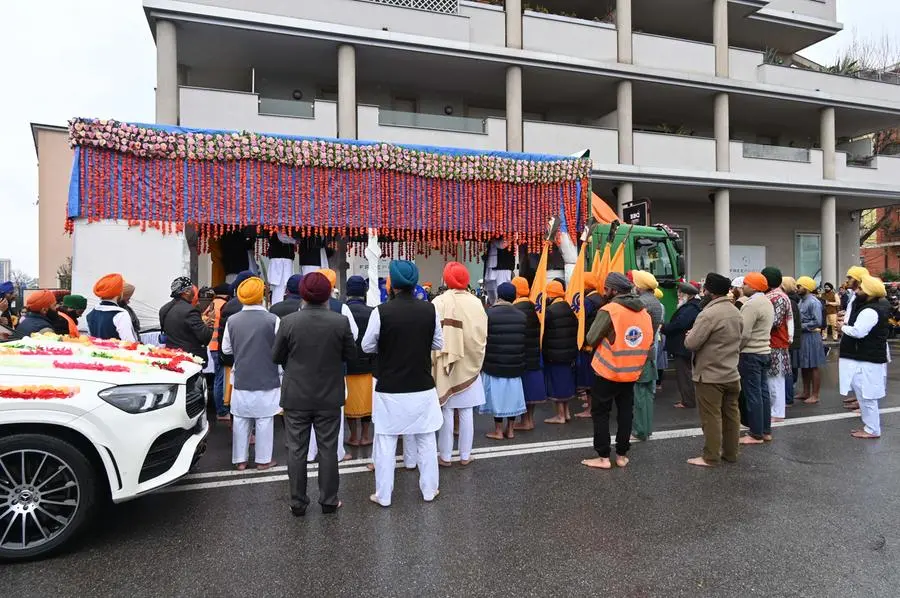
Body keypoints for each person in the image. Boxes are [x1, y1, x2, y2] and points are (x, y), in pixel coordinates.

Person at [362, 260, 444, 507]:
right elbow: (438, 343)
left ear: (393, 284)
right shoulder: (430, 309)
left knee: (386, 441)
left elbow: (367, 345)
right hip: (422, 384)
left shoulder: (381, 311)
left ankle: (384, 495)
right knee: (426, 439)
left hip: (390, 387)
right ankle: (429, 490)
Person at [274, 272, 356, 516]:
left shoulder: (288, 322)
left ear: (303, 294)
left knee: (296, 450)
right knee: (328, 448)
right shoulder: (339, 322)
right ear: (328, 294)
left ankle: (297, 503)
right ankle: (329, 500)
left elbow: (275, 356)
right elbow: (351, 355)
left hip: (296, 393)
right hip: (329, 393)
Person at [581, 272, 652, 470]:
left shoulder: (610, 310)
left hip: (608, 370)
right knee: (625, 413)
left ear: (613, 290)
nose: (604, 291)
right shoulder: (643, 312)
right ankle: (621, 455)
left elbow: (591, 338)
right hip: (631, 372)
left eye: (606, 288)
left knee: (601, 412)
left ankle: (603, 457)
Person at [683, 273, 743, 467]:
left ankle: (710, 456)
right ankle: (731, 453)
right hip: (731, 372)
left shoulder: (708, 314)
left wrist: (691, 334)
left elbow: (691, 343)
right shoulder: (736, 311)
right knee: (731, 416)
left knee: (711, 418)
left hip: (710, 375)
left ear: (709, 291)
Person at [221, 277, 280, 471]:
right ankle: (263, 461)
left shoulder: (232, 320)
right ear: (262, 295)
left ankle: (240, 461)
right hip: (267, 375)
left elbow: (226, 349)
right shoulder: (273, 319)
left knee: (240, 419)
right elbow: (280, 348)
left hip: (242, 376)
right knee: (264, 420)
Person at [433, 262, 487, 466]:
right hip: (470, 363)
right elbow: (481, 336)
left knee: (446, 410)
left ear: (447, 280)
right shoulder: (476, 302)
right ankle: (465, 456)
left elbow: (434, 333)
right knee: (466, 412)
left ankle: (445, 456)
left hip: (446, 362)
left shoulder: (438, 301)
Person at [308, 268, 358, 463]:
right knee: (336, 412)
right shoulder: (341, 307)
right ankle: (337, 453)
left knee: (309, 413)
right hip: (335, 367)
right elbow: (353, 334)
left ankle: (310, 453)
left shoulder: (302, 307)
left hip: (308, 368)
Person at [839, 276, 890, 439]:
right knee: (865, 395)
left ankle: (872, 429)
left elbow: (859, 332)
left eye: (861, 289)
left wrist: (843, 327)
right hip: (867, 358)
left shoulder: (870, 310)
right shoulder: (871, 307)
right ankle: (870, 427)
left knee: (867, 396)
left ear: (869, 292)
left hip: (867, 359)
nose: (857, 291)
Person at [479, 282, 527, 440]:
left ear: (499, 295)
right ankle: (511, 430)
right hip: (515, 363)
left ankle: (498, 431)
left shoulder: (490, 314)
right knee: (512, 398)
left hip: (495, 363)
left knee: (497, 399)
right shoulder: (522, 316)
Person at [737, 272, 774, 445]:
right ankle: (765, 430)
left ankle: (755, 433)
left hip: (750, 352)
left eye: (745, 284)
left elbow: (744, 333)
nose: (742, 286)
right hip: (764, 351)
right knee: (763, 392)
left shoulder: (751, 305)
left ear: (753, 287)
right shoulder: (767, 301)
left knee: (752, 394)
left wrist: (737, 349)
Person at [344, 275, 376, 447]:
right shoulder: (372, 312)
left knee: (350, 403)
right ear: (364, 292)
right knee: (366, 402)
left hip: (348, 365)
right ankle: (365, 435)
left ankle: (353, 436)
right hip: (368, 365)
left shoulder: (342, 311)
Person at [631, 271, 663, 442]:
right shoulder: (655, 302)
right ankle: (646, 428)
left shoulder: (641, 303)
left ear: (639, 286)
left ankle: (641, 430)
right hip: (649, 351)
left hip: (640, 353)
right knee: (647, 392)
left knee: (640, 393)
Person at [511, 276, 544, 431]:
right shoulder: (532, 306)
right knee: (531, 390)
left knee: (524, 390)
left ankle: (525, 421)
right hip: (534, 354)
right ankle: (529, 420)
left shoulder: (516, 309)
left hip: (523, 355)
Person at [542, 279, 578, 424]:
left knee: (557, 384)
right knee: (566, 383)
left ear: (550, 295)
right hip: (569, 354)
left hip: (554, 354)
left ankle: (560, 415)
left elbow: (544, 332)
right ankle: (567, 412)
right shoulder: (569, 309)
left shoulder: (550, 311)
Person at [761, 267, 794, 424]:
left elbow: (775, 321)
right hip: (774, 342)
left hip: (777, 342)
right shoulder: (776, 296)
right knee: (773, 379)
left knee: (775, 379)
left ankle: (778, 412)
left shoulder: (778, 297)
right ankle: (775, 410)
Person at [663, 282, 701, 409]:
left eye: (680, 293)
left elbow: (679, 324)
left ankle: (688, 401)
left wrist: (664, 328)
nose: (678, 295)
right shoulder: (691, 306)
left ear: (687, 295)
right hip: (682, 345)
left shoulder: (690, 308)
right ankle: (687, 399)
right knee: (684, 373)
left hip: (683, 346)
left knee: (684, 374)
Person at [159, 276, 213, 364]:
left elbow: (180, 329)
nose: (195, 293)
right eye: (193, 289)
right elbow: (205, 337)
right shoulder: (190, 310)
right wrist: (210, 323)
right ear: (186, 292)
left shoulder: (164, 309)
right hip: (189, 360)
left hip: (171, 356)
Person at [575, 273, 605, 418]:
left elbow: (580, 320)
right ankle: (592, 404)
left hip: (588, 344)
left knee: (589, 379)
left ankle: (591, 409)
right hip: (598, 343)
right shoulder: (600, 297)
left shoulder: (588, 301)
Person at [795, 276, 827, 404]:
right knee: (804, 365)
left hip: (811, 336)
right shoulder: (801, 301)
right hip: (803, 336)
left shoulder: (813, 302)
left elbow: (818, 321)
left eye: (800, 286)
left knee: (813, 365)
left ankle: (815, 394)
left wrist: (801, 326)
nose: (797, 289)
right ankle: (806, 392)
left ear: (807, 287)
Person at [202, 284, 232, 421]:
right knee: (220, 380)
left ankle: (213, 408)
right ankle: (221, 411)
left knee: (213, 380)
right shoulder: (224, 305)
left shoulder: (211, 305)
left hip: (208, 345)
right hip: (217, 346)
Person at [86, 274, 138, 341]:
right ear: (120, 292)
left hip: (96, 351)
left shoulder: (91, 314)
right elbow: (129, 343)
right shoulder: (121, 314)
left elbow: (90, 339)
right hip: (117, 351)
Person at [781, 277, 803, 407]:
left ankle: (788, 397)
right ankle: (788, 395)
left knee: (786, 370)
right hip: (791, 340)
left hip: (787, 340)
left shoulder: (789, 302)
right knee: (788, 369)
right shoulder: (794, 301)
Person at [267, 231, 298, 305]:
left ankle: (280, 304)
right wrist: (295, 241)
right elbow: (282, 238)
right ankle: (277, 305)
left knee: (284, 284)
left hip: (284, 259)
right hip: (279, 260)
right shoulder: (276, 229)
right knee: (279, 284)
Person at [483, 237, 515, 305]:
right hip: (491, 266)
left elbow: (502, 245)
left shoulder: (511, 232)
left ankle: (501, 308)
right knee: (490, 290)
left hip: (503, 267)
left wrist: (492, 238)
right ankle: (493, 307)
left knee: (501, 290)